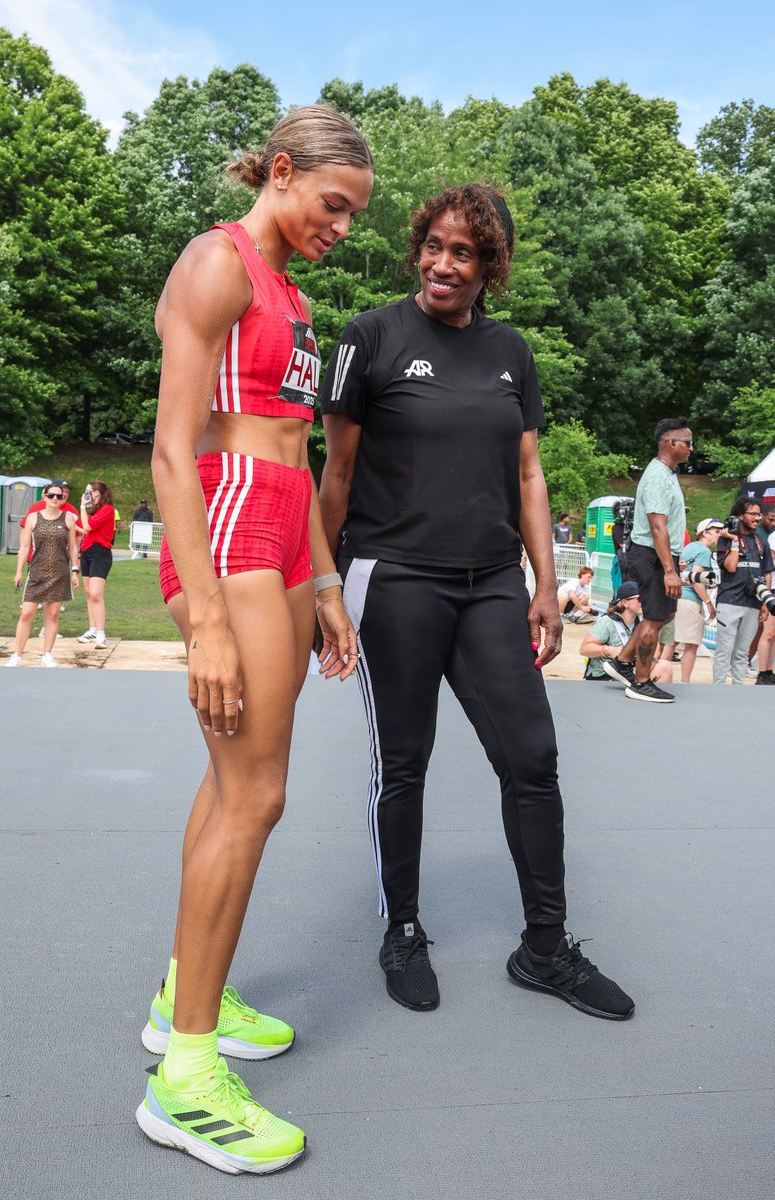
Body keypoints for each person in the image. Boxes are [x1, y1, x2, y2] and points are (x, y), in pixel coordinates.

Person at [320, 184, 633, 1024]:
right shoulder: (371, 337)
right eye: (433, 246)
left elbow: (528, 474)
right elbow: (336, 477)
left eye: (463, 252)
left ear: (489, 266)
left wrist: (543, 586)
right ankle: (405, 930)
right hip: (394, 578)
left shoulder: (512, 353)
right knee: (406, 764)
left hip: (492, 580)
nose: (442, 264)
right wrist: (322, 592)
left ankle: (545, 948)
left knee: (532, 759)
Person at [135, 106, 374, 1176]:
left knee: (230, 782)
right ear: (280, 173)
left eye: (353, 216)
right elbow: (173, 454)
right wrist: (208, 626)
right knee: (256, 794)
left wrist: (323, 583)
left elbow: (297, 444)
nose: (341, 227)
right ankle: (185, 1080)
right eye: (331, 205)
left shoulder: (293, 295)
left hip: (285, 529)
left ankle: (182, 991)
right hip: (227, 518)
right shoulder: (216, 262)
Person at [603, 419, 692, 702]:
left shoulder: (667, 474)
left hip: (662, 555)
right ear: (671, 443)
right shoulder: (656, 476)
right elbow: (657, 527)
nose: (692, 448)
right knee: (654, 617)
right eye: (688, 442)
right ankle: (640, 683)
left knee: (665, 614)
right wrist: (669, 570)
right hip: (653, 555)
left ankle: (622, 662)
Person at [6, 484, 80, 667]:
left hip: (60, 572)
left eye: (59, 496)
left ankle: (47, 654)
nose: (55, 498)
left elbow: (72, 547)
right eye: (51, 495)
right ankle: (17, 654)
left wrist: (75, 571)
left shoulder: (68, 518)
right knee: (27, 613)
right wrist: (18, 571)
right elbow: (24, 547)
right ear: (44, 497)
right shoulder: (33, 518)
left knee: (53, 615)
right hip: (37, 572)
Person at [713, 498, 773, 685]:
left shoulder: (761, 541)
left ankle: (739, 690)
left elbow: (767, 573)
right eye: (753, 514)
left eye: (758, 514)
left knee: (742, 651)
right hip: (729, 600)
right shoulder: (726, 538)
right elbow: (730, 567)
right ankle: (719, 690)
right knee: (725, 650)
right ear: (740, 515)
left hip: (753, 603)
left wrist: (765, 601)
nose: (757, 518)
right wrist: (734, 541)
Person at [580, 581, 673, 683]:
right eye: (640, 599)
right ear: (625, 602)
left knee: (665, 666)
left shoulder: (643, 622)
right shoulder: (608, 622)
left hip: (629, 673)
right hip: (605, 676)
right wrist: (608, 650)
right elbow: (584, 649)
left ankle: (646, 691)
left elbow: (656, 651)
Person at [667, 518, 720, 683]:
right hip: (690, 601)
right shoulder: (703, 551)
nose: (720, 535)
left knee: (671, 641)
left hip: (677, 598)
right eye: (717, 531)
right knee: (691, 645)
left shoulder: (688, 548)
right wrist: (709, 603)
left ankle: (659, 674)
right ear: (705, 532)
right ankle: (685, 681)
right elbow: (696, 579)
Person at [77, 481, 116, 647]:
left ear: (98, 493)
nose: (88, 495)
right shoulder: (96, 510)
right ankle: (92, 629)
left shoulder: (108, 509)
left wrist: (82, 507)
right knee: (88, 594)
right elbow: (84, 529)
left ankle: (101, 633)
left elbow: (88, 525)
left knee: (95, 594)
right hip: (87, 552)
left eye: (90, 491)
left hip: (100, 553)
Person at [753, 505, 775, 683]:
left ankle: (769, 671)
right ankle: (762, 673)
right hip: (772, 590)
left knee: (773, 634)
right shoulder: (772, 538)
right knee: (768, 633)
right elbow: (770, 564)